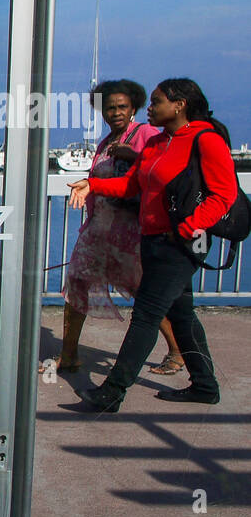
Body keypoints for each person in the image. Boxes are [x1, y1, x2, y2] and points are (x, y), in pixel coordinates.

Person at [66, 78, 237, 412]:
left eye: (156, 102)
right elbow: (132, 184)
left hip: (180, 245)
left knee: (145, 315)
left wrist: (188, 227)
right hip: (153, 240)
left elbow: (224, 195)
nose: (150, 108)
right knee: (183, 316)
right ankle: (205, 385)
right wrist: (93, 184)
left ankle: (112, 392)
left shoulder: (205, 139)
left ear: (179, 105)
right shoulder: (160, 142)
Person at [56, 79, 184, 374]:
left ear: (134, 107)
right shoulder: (105, 142)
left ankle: (177, 351)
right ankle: (69, 353)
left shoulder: (146, 135)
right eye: (110, 108)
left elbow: (162, 172)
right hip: (98, 229)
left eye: (122, 107)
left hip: (130, 233)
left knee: (144, 292)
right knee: (76, 284)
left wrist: (135, 156)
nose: (115, 112)